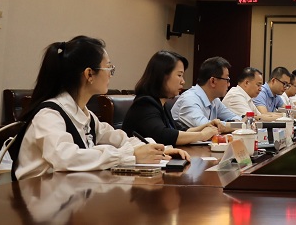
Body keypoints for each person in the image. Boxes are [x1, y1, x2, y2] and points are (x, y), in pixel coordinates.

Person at [13, 36, 186, 180]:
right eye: (108, 67)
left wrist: (157, 149)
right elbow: (65, 158)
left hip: (66, 195)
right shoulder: (49, 115)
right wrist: (129, 155)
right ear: (89, 74)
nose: (110, 73)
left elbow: (119, 138)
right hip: (36, 201)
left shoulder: (85, 114)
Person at [123, 51, 220, 145]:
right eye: (179, 75)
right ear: (162, 76)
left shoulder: (163, 104)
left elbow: (178, 131)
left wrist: (204, 127)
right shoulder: (144, 104)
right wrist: (202, 135)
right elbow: (164, 135)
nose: (183, 81)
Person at [170, 56, 240, 131]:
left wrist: (232, 125)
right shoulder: (190, 99)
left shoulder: (215, 100)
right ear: (213, 81)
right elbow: (207, 128)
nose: (229, 84)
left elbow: (238, 119)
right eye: (227, 80)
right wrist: (233, 125)